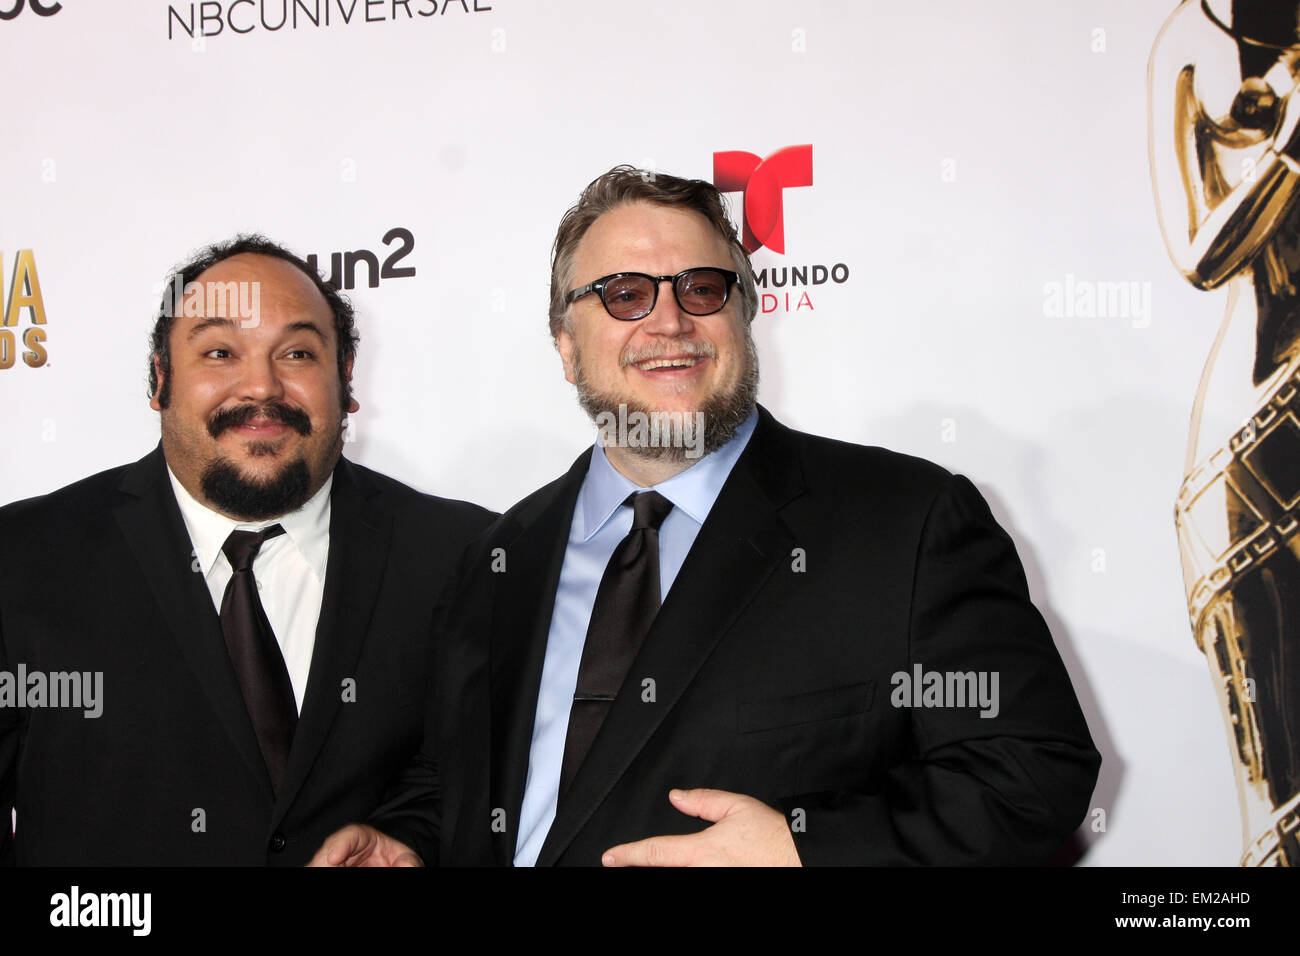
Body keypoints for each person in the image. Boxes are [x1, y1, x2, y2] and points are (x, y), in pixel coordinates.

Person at [314, 167, 1101, 866]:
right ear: (564, 345)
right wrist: (411, 837)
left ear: (745, 317)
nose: (668, 322)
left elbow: (1031, 771)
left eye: (701, 288)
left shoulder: (905, 525)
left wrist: (804, 852)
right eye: (624, 294)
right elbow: (466, 774)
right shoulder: (498, 559)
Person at [0, 235, 493, 865]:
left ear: (345, 382)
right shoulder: (22, 560)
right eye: (219, 352)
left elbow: (478, 775)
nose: (261, 387)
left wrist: (412, 839)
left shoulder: (464, 555)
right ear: (159, 380)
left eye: (296, 352)